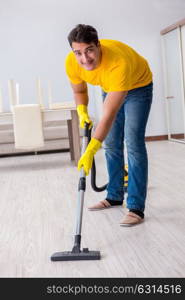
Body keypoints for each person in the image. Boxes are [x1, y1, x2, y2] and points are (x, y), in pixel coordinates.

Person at [65, 24, 153, 226]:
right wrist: (82, 111)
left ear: (98, 46)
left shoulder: (117, 63)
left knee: (133, 143)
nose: (84, 59)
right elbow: (79, 91)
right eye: (78, 53)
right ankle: (114, 196)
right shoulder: (72, 62)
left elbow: (108, 115)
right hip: (111, 86)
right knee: (112, 143)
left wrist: (89, 151)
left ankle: (136, 207)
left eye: (89, 51)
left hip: (138, 87)